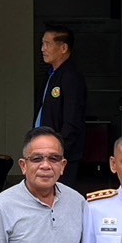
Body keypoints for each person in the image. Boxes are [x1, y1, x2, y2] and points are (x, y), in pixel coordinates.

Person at [36, 26, 87, 187]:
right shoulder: (51, 74)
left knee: (59, 194)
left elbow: (72, 120)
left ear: (64, 48)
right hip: (44, 148)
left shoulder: (71, 77)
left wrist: (58, 150)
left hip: (61, 153)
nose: (43, 49)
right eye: (42, 44)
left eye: (47, 44)